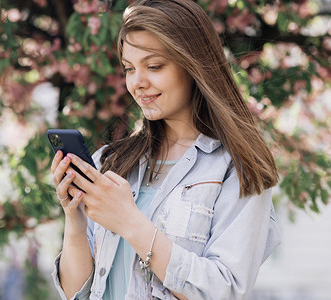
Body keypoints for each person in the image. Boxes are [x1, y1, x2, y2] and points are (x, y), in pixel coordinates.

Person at [50, 0, 281, 299]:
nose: (137, 83)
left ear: (192, 64)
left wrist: (129, 222)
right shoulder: (111, 162)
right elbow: (75, 292)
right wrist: (75, 218)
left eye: (154, 66)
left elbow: (223, 289)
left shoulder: (236, 169)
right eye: (129, 68)